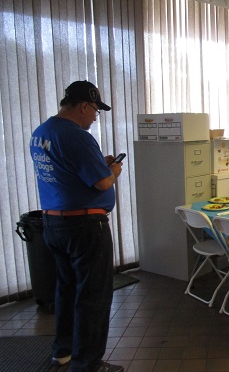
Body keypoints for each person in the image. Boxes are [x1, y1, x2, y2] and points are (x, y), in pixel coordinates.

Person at [30, 81, 124, 372]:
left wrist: (100, 164)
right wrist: (113, 170)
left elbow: (67, 170)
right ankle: (88, 364)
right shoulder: (76, 136)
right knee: (93, 295)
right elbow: (101, 182)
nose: (96, 117)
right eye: (96, 110)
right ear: (84, 105)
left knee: (67, 289)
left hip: (54, 223)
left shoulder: (41, 132)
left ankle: (64, 351)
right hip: (85, 226)